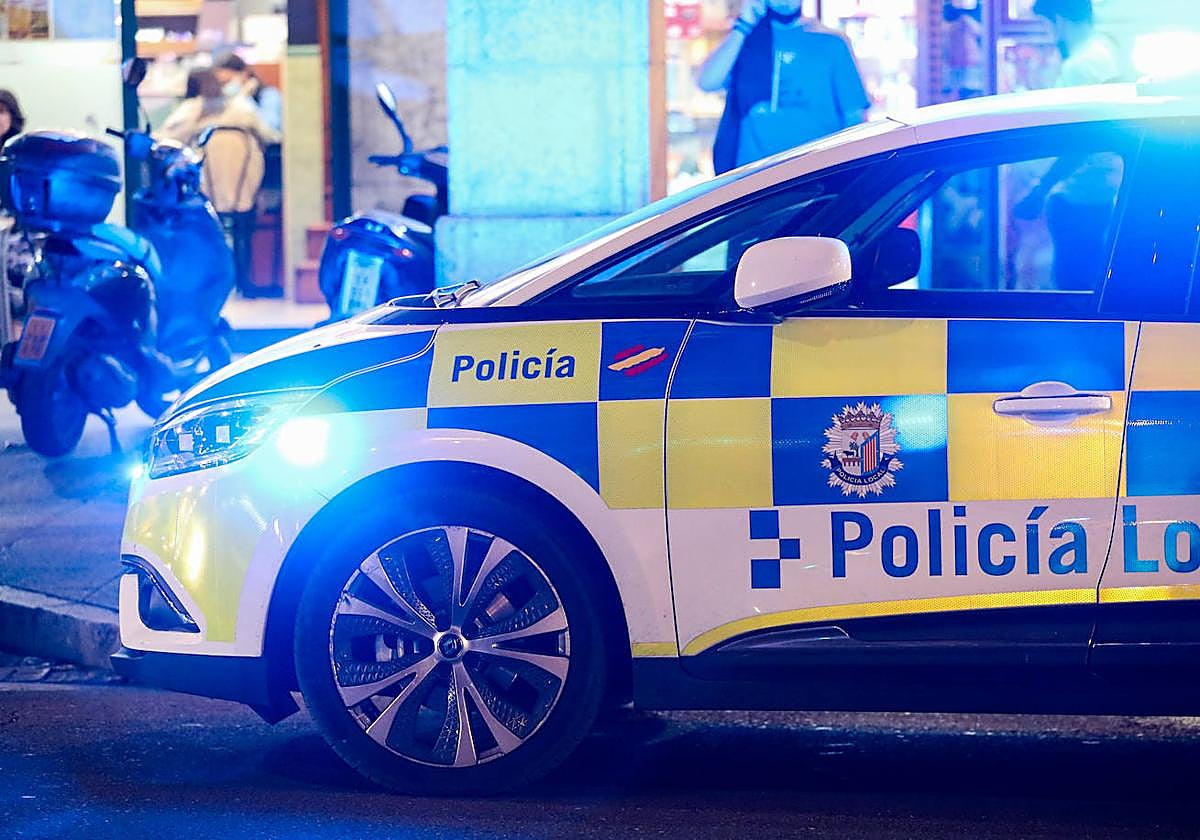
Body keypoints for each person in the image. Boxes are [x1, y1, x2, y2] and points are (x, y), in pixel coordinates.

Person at [1014, 0, 1125, 290]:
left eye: (1046, 24)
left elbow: (1077, 141)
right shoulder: (1105, 51)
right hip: (1101, 191)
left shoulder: (1080, 66)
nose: (1049, 34)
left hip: (1079, 196)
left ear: (1059, 21)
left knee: (1072, 289)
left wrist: (1040, 189)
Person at [699, 0, 870, 173]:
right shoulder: (745, 42)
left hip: (816, 174)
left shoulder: (831, 43)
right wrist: (743, 26)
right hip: (754, 177)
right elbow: (707, 82)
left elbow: (854, 118)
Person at [159, 69, 282, 297]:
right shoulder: (242, 109)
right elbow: (271, 136)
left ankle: (207, 280)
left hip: (207, 193)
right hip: (245, 191)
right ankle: (245, 281)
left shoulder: (191, 111)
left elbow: (165, 140)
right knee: (245, 221)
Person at [214, 53, 283, 135]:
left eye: (228, 81)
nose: (225, 87)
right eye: (222, 84)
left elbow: (271, 130)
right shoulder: (226, 99)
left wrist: (244, 97)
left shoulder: (269, 95)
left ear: (244, 74)